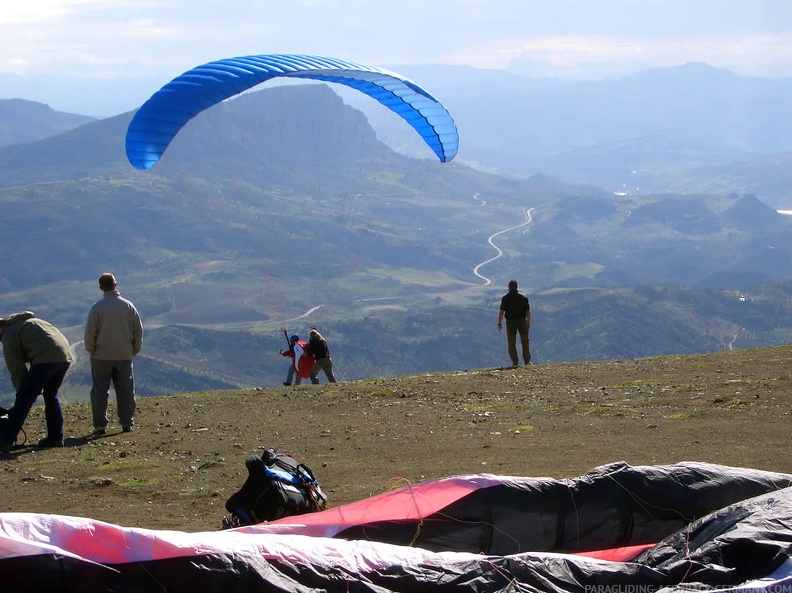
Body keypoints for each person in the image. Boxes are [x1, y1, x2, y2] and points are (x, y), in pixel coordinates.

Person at [0, 311, 73, 452]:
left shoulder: (8, 335)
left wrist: (21, 391)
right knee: (51, 394)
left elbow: (16, 368)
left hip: (45, 359)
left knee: (25, 399)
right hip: (64, 355)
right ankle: (56, 437)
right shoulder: (29, 322)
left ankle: (4, 440)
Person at [84, 273, 143, 436]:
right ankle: (126, 422)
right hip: (124, 355)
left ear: (101, 288)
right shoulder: (128, 306)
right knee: (125, 390)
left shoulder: (97, 308)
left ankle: (99, 426)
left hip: (101, 357)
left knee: (100, 391)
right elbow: (138, 331)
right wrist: (133, 351)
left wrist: (92, 351)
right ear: (115, 285)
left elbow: (90, 334)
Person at [498, 280, 531, 366]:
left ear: (509, 287)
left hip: (511, 323)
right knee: (525, 341)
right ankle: (527, 361)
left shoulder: (505, 298)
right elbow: (528, 312)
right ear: (517, 287)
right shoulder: (523, 298)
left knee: (512, 343)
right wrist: (528, 322)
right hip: (522, 321)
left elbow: (501, 312)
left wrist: (499, 323)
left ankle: (515, 362)